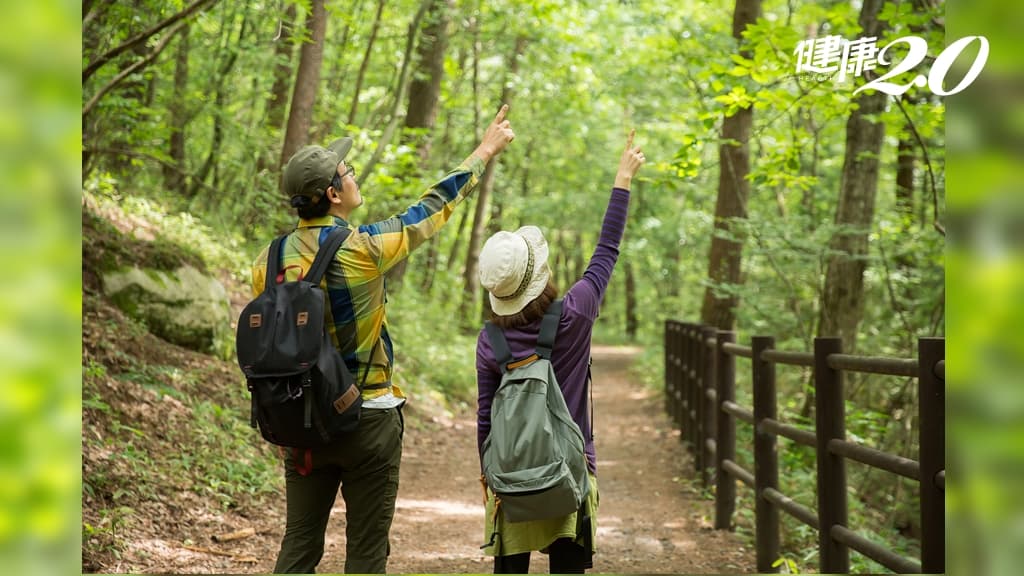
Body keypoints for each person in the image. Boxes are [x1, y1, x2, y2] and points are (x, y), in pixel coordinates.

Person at [250, 104, 515, 573]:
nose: (353, 175)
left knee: (299, 545)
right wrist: (484, 151)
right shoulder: (365, 249)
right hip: (365, 418)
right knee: (367, 553)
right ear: (334, 193)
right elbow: (432, 209)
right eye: (347, 171)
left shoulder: (266, 262)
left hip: (299, 423)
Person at [475, 130, 645, 573]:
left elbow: (486, 415)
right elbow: (607, 250)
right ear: (541, 273)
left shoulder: (489, 341)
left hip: (511, 478)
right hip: (569, 473)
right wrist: (622, 178)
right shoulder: (575, 314)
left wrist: (487, 474)